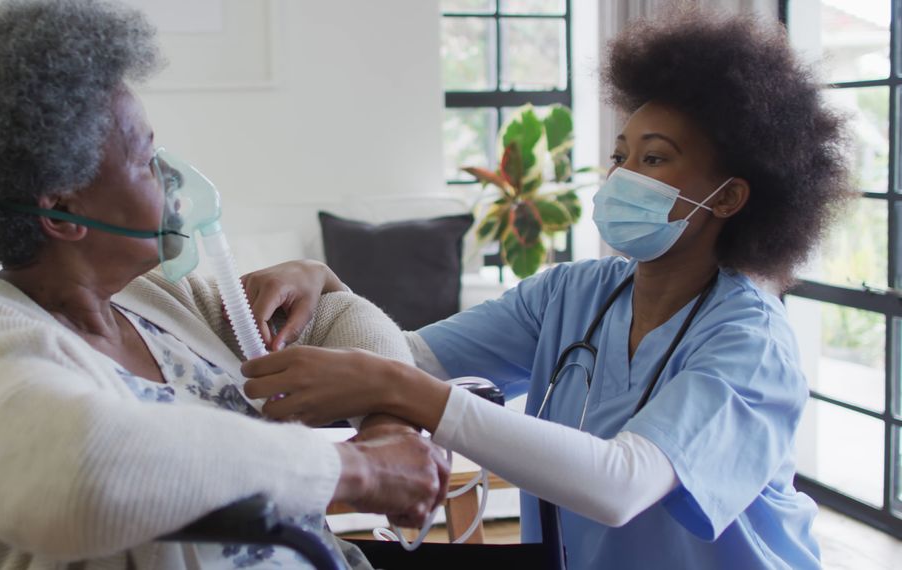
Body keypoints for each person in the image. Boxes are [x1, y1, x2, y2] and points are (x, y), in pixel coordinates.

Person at [238, 7, 852, 569]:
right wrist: (328, 287)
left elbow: (623, 483)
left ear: (730, 197)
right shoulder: (569, 295)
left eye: (655, 159)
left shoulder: (750, 342)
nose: (624, 177)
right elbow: (407, 357)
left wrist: (408, 391)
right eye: (621, 156)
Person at [0, 1, 448, 568]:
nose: (173, 177)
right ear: (61, 210)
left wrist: (389, 426)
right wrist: (362, 471)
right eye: (144, 158)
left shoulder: (155, 299)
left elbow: (339, 316)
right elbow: (87, 470)